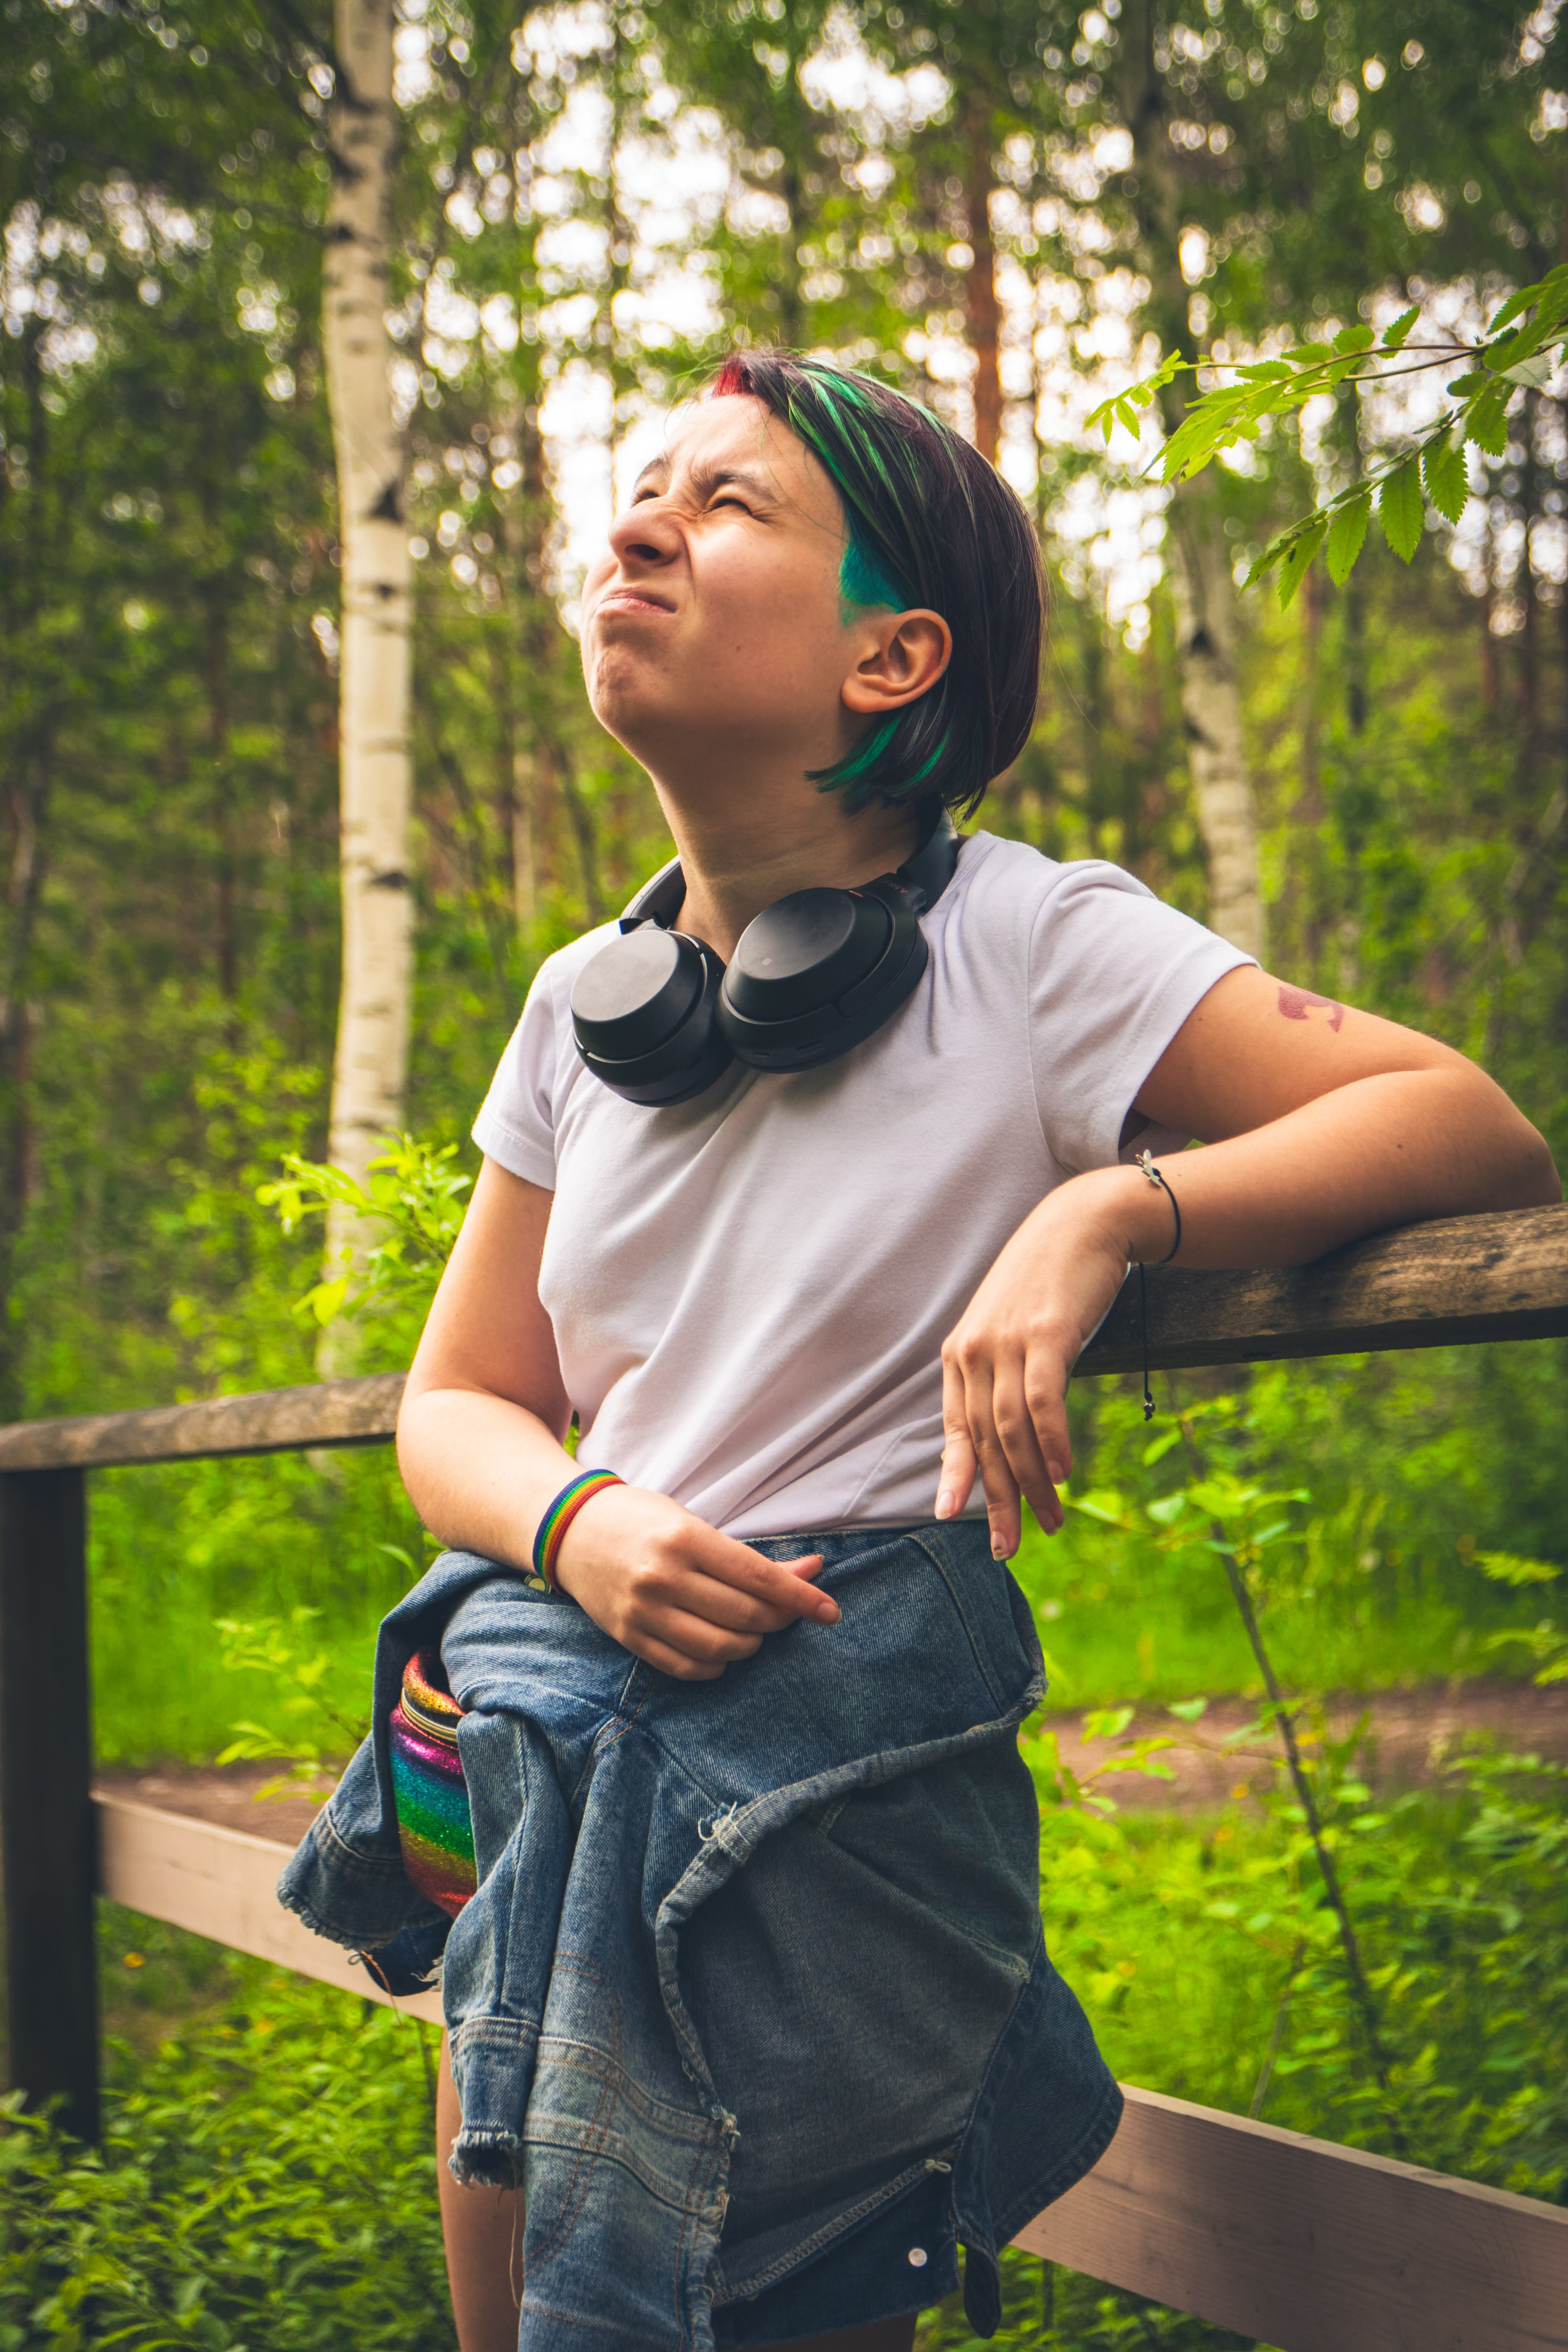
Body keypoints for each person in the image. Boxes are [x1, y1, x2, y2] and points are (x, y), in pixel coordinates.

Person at [282, 353, 1558, 2352]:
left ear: (892, 658)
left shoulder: (1031, 947)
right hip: (536, 1712)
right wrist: (579, 1523)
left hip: (822, 1788)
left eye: (726, 503)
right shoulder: (580, 1011)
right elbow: (456, 1403)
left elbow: (1467, 1124)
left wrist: (1108, 1211)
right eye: (642, 487)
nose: (637, 526)